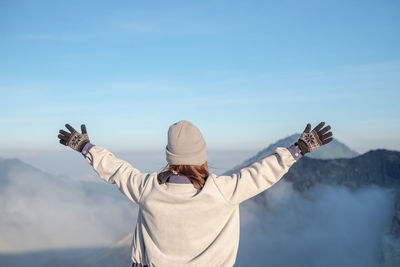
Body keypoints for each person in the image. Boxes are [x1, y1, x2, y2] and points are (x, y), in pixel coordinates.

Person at [58, 120, 332, 267]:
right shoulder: (224, 191)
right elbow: (262, 173)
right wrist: (298, 149)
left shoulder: (148, 189)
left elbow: (117, 171)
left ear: (170, 157)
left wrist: (86, 148)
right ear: (201, 156)